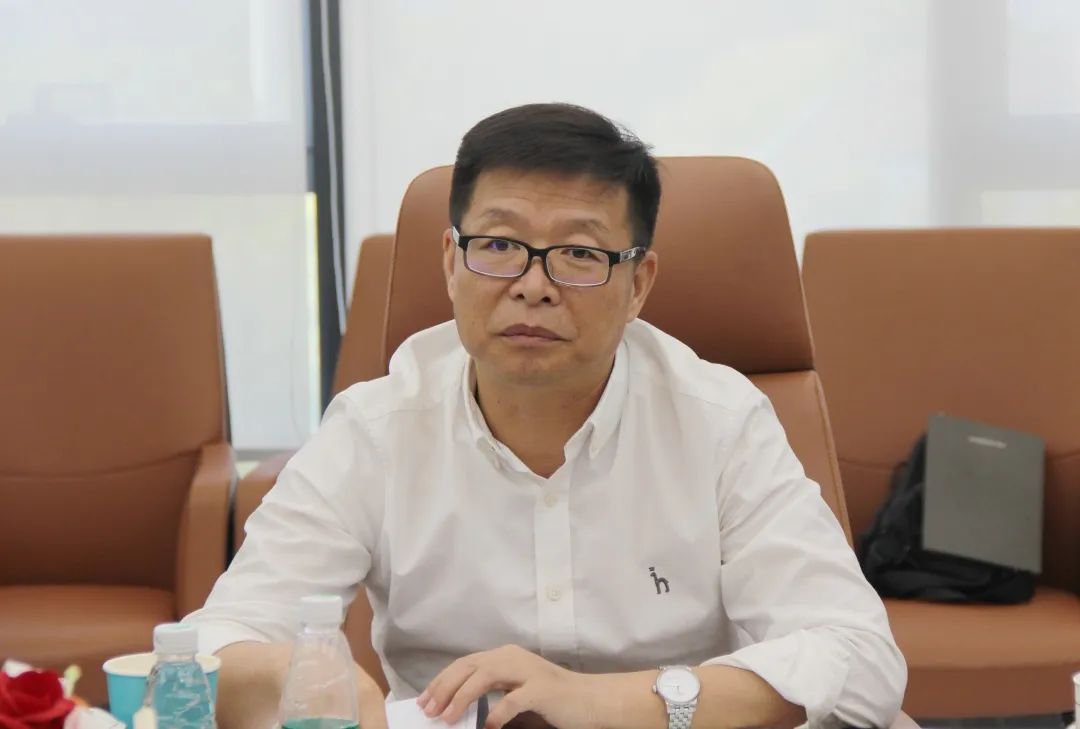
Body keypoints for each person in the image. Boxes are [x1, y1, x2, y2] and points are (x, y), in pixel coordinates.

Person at [184, 103, 906, 729]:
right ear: (451, 262)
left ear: (638, 283)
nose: (533, 286)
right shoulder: (375, 428)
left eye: (578, 253)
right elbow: (216, 642)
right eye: (499, 246)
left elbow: (860, 656)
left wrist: (609, 702)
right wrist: (307, 680)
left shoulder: (720, 422)